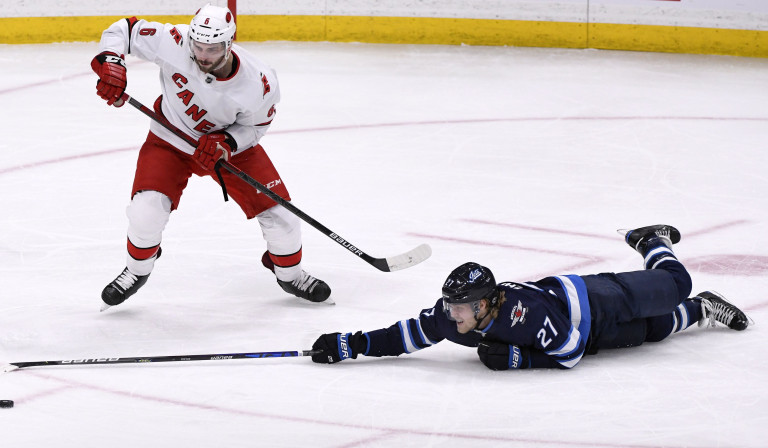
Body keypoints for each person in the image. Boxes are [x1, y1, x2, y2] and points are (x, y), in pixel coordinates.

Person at [91, 4, 331, 309]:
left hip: (228, 153)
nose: (203, 56)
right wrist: (112, 63)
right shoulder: (174, 40)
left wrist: (228, 141)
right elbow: (123, 30)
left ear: (229, 43)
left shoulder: (259, 82)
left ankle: (290, 274)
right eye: (198, 46)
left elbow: (256, 127)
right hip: (169, 139)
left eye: (213, 49)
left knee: (283, 219)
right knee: (145, 212)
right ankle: (136, 271)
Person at [310, 224, 750, 369]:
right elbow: (407, 334)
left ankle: (653, 241)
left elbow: (570, 352)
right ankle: (702, 310)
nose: (451, 313)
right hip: (584, 332)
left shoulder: (526, 316)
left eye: (460, 306)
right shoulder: (454, 316)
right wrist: (349, 344)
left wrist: (520, 360)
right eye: (450, 304)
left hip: (599, 300)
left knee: (675, 286)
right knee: (654, 330)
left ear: (484, 304)